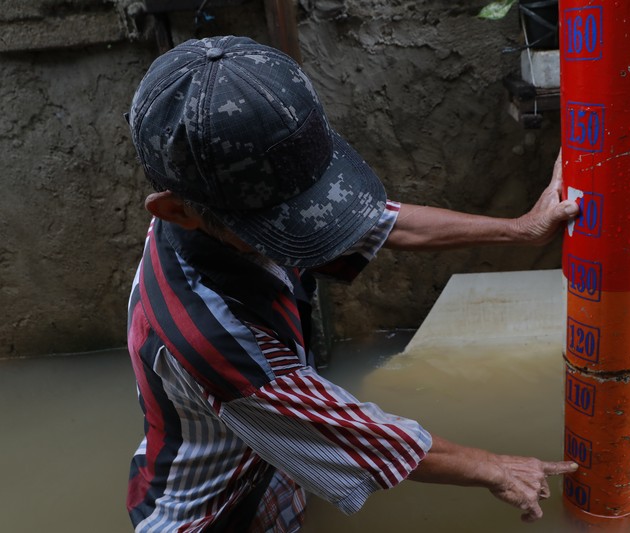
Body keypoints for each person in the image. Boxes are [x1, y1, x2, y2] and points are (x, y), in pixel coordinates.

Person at [125, 35, 579, 532]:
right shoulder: (209, 335)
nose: (309, 232)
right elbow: (351, 436)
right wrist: (494, 467)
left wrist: (519, 228)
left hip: (269, 467)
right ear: (176, 211)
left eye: (310, 207)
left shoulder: (219, 209)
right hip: (214, 515)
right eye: (281, 224)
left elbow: (382, 223)